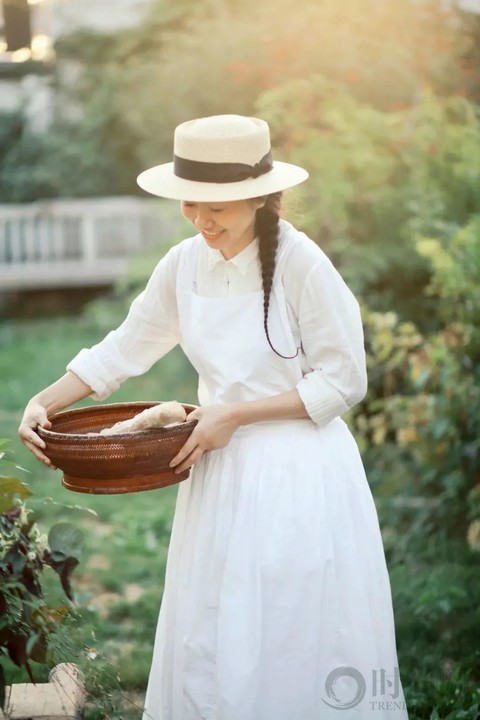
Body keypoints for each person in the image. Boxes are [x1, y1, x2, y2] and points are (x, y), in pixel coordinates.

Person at [19, 114, 409, 720]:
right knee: (217, 634)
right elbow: (122, 349)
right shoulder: (184, 264)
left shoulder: (302, 265)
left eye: (217, 208)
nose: (202, 221)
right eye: (190, 205)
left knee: (289, 627)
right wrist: (44, 402)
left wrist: (237, 415)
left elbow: (344, 379)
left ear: (256, 197)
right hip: (218, 471)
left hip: (297, 473)